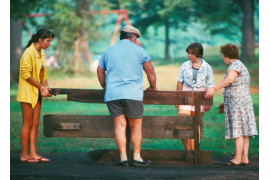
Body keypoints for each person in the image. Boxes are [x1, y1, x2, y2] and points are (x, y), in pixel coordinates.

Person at [97, 25, 157, 167]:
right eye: (135, 38)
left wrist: (105, 86)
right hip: (132, 94)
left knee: (119, 125)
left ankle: (123, 158)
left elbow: (100, 70)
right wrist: (153, 87)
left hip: (113, 94)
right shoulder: (139, 51)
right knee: (135, 126)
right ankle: (136, 157)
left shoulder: (109, 51)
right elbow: (150, 71)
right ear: (132, 37)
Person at [204, 43, 258, 166]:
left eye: (222, 55)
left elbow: (229, 80)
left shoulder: (235, 66)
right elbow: (236, 86)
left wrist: (213, 88)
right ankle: (244, 158)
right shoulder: (240, 65)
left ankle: (237, 159)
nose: (222, 58)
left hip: (238, 103)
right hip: (242, 101)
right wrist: (226, 102)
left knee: (238, 130)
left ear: (226, 55)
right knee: (244, 131)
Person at [17, 28, 55, 163]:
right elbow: (25, 74)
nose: (49, 44)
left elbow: (41, 74)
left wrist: (46, 87)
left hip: (37, 93)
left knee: (35, 123)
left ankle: (33, 153)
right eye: (48, 41)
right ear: (40, 40)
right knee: (27, 123)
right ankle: (24, 155)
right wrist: (41, 87)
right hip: (28, 93)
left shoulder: (41, 53)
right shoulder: (29, 52)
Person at [176, 42, 215, 150]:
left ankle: (194, 151)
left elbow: (211, 85)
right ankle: (188, 150)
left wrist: (208, 103)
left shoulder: (207, 67)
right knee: (182, 123)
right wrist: (178, 99)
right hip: (186, 94)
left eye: (192, 53)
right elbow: (180, 82)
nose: (189, 55)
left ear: (198, 54)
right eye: (188, 53)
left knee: (196, 124)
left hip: (200, 96)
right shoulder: (185, 65)